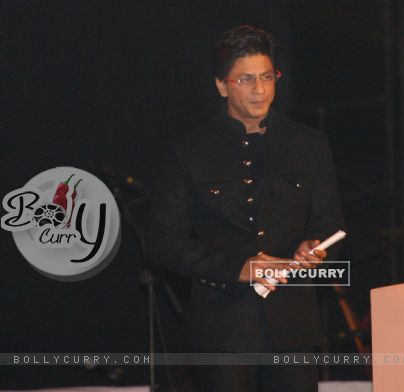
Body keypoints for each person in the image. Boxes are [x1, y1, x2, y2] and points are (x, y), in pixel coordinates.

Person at [146, 25, 345, 391]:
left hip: (292, 330)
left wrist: (314, 248)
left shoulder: (309, 144)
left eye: (267, 77)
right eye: (246, 79)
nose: (259, 90)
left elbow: (331, 226)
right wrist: (237, 267)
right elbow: (162, 241)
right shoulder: (190, 151)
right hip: (222, 332)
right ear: (222, 85)